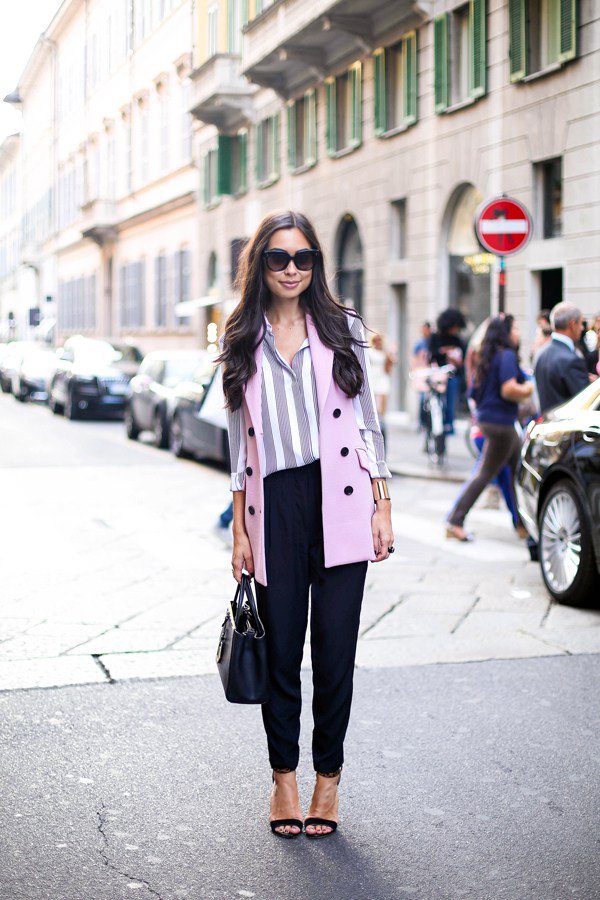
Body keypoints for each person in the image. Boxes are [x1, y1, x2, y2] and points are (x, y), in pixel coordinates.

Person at [218, 210, 394, 839]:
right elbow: (240, 448)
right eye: (278, 258)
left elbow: (370, 421)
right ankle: (283, 778)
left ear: (317, 264)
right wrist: (239, 529)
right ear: (259, 265)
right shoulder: (241, 337)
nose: (292, 269)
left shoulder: (342, 329)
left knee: (336, 656)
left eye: (303, 258)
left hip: (340, 497)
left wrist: (383, 503)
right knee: (281, 653)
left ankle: (328, 780)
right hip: (276, 505)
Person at [446, 316, 533, 541]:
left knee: (516, 473)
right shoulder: (505, 355)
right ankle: (454, 520)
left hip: (494, 421)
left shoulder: (489, 355)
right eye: (515, 328)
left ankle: (522, 524)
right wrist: (529, 388)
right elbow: (508, 390)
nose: (518, 332)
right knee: (485, 474)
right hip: (500, 423)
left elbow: (475, 391)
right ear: (505, 332)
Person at [534, 302, 590, 414]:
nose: (582, 328)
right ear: (572, 324)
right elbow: (586, 402)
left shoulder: (541, 354)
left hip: (546, 424)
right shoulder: (571, 360)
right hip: (568, 427)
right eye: (580, 323)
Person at [428, 309, 467, 434]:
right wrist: (445, 352)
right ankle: (431, 427)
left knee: (451, 401)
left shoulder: (457, 339)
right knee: (433, 402)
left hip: (452, 375)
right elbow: (432, 354)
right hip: (437, 375)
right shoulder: (435, 337)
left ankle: (448, 424)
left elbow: (463, 358)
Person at [368, 333, 395, 432]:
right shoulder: (369, 352)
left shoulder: (385, 352)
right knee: (373, 402)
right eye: (376, 340)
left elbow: (391, 365)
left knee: (383, 400)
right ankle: (375, 420)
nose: (378, 342)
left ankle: (382, 421)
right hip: (373, 378)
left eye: (379, 340)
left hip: (383, 378)